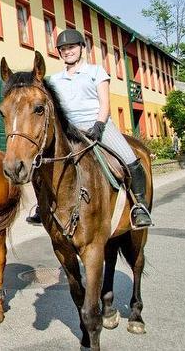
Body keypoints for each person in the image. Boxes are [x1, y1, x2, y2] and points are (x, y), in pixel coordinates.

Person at [26, 28, 152, 229]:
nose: (68, 51)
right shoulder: (54, 80)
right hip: (69, 129)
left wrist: (99, 124)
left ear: (81, 48)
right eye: (63, 49)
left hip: (97, 124)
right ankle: (42, 207)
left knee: (129, 158)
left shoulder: (96, 71)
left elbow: (105, 103)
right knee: (39, 163)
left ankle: (140, 205)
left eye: (72, 47)